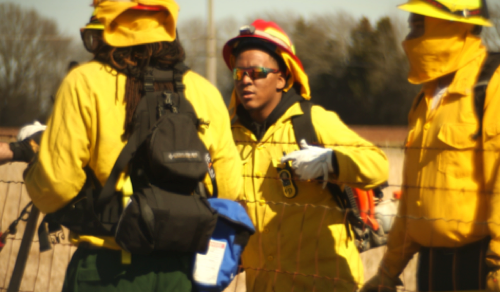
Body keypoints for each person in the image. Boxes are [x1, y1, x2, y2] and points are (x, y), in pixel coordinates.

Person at [24, 0, 242, 291]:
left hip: (108, 269)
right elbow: (228, 189)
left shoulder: (84, 83)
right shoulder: (204, 90)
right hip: (182, 271)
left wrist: (33, 170)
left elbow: (56, 186)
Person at [222, 19, 389, 292]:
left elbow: (378, 165)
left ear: (284, 78)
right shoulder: (229, 136)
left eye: (256, 72)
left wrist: (331, 163)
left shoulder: (313, 121)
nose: (246, 81)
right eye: (239, 74)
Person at [360, 1, 500, 291]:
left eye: (418, 26)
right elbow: (412, 201)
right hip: (432, 268)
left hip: (480, 266)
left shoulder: (491, 86)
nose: (408, 38)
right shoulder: (426, 99)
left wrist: (498, 263)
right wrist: (388, 271)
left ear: (453, 27)